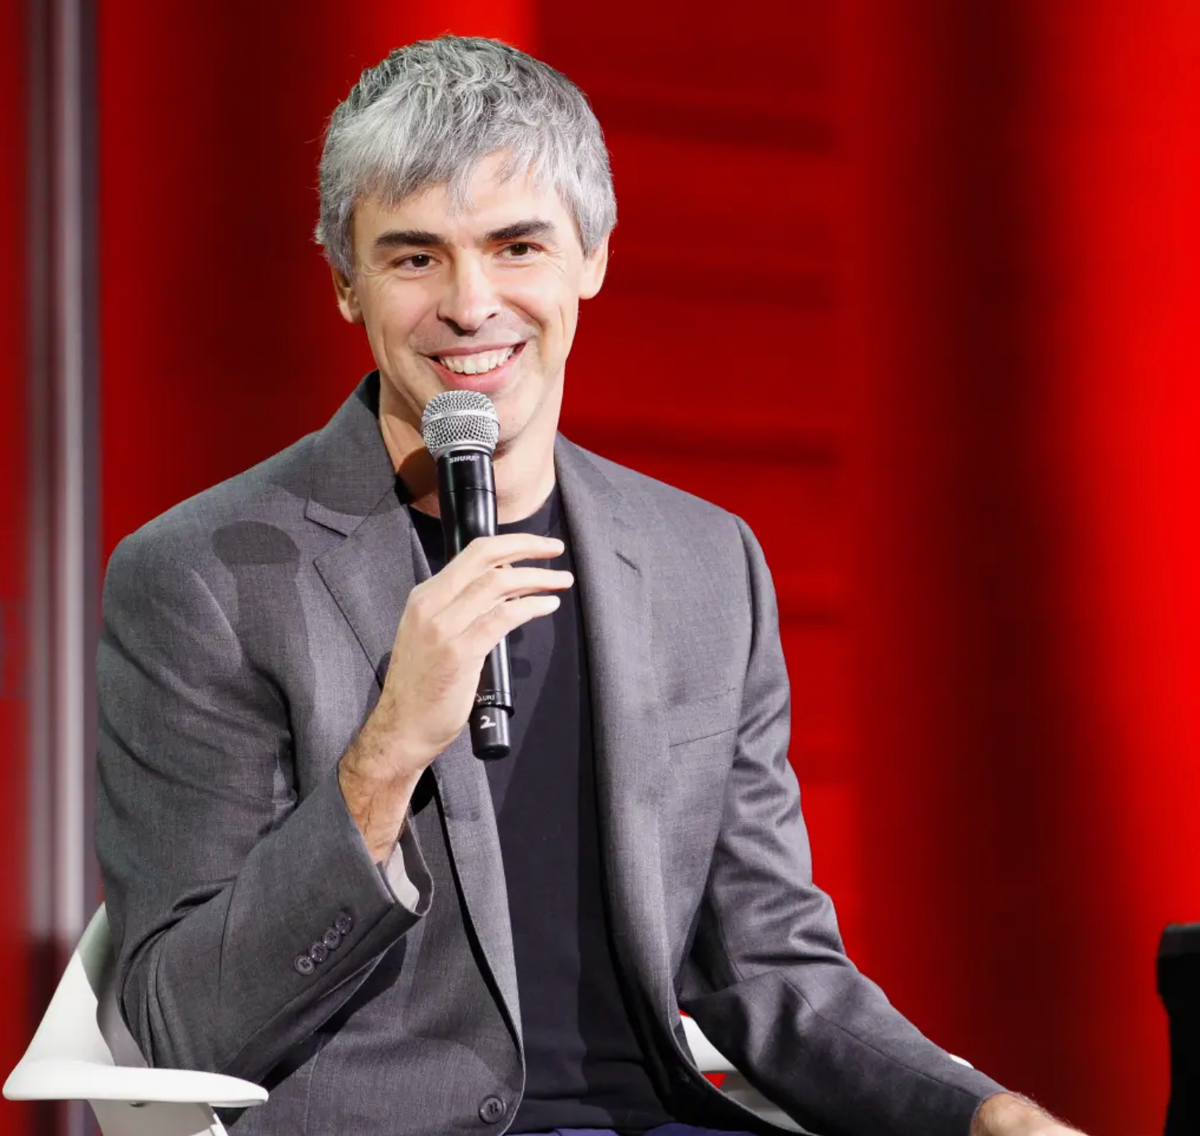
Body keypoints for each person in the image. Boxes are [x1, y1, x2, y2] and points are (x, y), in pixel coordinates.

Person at [96, 35, 1085, 1136]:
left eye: (517, 246)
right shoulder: (206, 575)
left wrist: (984, 1115)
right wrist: (383, 760)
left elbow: (771, 966)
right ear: (344, 282)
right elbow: (176, 1024)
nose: (471, 304)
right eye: (415, 257)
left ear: (592, 257)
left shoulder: (705, 561)